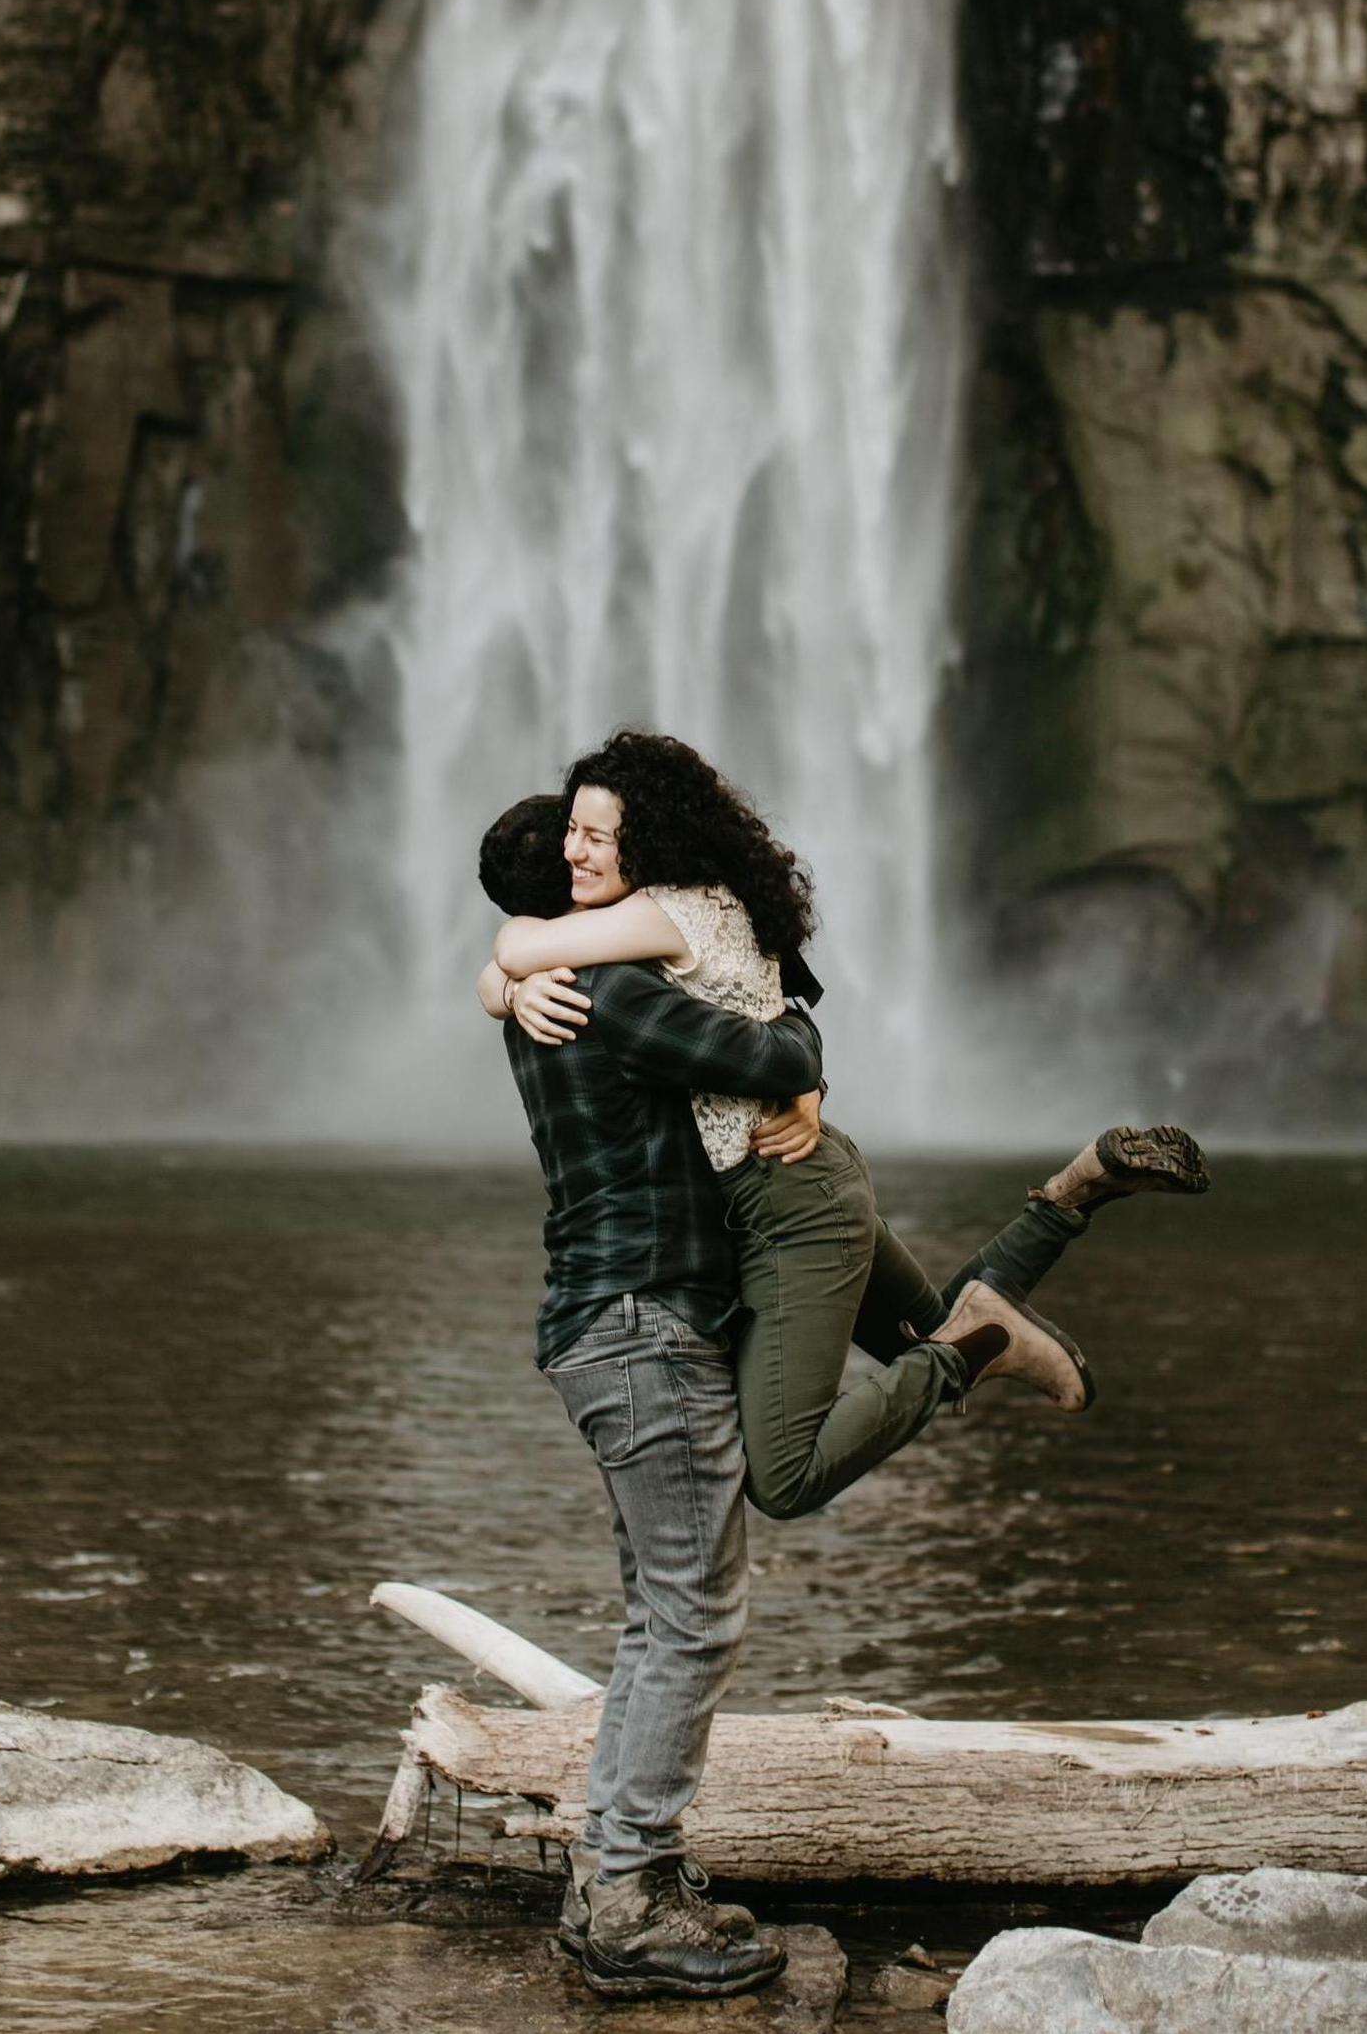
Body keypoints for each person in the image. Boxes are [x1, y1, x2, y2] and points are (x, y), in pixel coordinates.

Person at [477, 732, 1210, 1532]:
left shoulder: (663, 916)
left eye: (592, 835)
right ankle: (1069, 1198)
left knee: (790, 1472)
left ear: (646, 837)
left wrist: (505, 979)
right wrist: (505, 989)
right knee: (928, 1333)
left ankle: (983, 1340)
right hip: (804, 1176)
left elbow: (530, 944)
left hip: (782, 1196)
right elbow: (778, 1011)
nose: (573, 852)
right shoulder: (696, 906)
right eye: (568, 835)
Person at [473, 791, 818, 2002]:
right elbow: (775, 1051)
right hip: (644, 1326)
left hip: (602, 1323)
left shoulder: (544, 1005)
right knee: (695, 1616)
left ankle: (617, 1876)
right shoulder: (615, 996)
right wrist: (803, 1062)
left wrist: (500, 973)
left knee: (657, 1614)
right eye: (576, 848)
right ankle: (627, 1897)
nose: (597, 862)